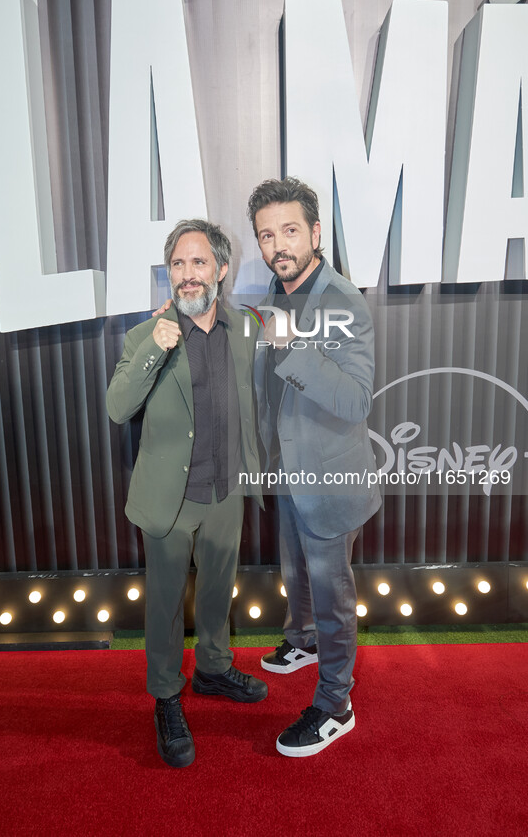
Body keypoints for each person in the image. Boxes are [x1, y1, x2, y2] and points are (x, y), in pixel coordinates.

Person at [106, 219, 266, 769]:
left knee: (219, 593)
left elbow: (279, 345)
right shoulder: (144, 335)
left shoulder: (244, 327)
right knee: (167, 608)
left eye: (199, 263)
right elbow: (117, 407)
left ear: (221, 269)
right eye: (178, 264)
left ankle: (214, 670)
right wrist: (155, 347)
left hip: (227, 492)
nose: (187, 274)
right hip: (170, 502)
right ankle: (167, 697)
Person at [247, 177, 381, 758]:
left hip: (331, 483)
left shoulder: (342, 301)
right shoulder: (278, 293)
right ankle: (300, 642)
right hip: (290, 473)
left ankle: (335, 704)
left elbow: (356, 400)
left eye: (290, 230)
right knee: (295, 576)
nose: (278, 244)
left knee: (333, 596)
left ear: (316, 233)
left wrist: (292, 347)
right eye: (266, 234)